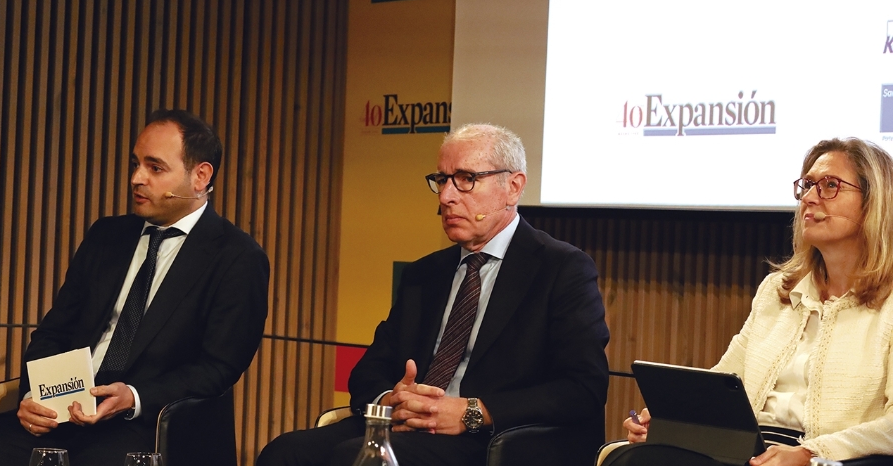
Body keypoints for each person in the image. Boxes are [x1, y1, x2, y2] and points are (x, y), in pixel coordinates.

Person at [257, 123, 610, 466]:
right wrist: (393, 400)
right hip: (406, 426)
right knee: (286, 453)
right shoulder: (424, 274)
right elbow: (369, 371)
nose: (446, 197)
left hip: (488, 440)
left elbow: (582, 388)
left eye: (467, 179)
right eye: (442, 180)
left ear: (513, 188)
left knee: (354, 458)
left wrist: (473, 411)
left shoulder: (561, 269)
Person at [0, 110, 270, 465]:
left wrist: (134, 397)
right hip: (65, 411)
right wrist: (34, 396)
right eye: (135, 164)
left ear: (200, 176)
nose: (136, 178)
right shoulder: (106, 236)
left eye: (155, 168)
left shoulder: (237, 257)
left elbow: (218, 367)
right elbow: (54, 331)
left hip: (147, 423)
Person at [614, 137, 893, 466]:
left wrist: (811, 454)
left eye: (830, 185)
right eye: (806, 186)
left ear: (875, 201)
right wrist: (673, 420)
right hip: (752, 449)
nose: (810, 198)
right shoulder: (778, 291)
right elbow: (724, 382)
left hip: (831, 458)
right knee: (631, 457)